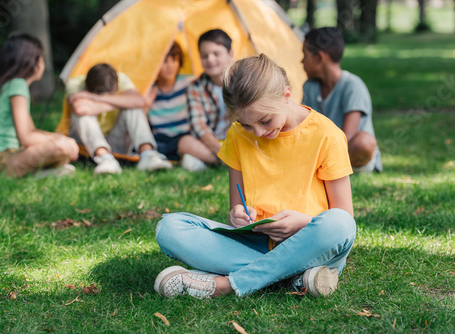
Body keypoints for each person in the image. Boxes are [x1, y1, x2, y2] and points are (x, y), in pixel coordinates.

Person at [153, 54, 356, 299]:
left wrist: (303, 223)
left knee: (339, 224)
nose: (258, 132)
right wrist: (236, 214)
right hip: (258, 241)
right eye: (247, 125)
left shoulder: (326, 135)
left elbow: (345, 218)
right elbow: (236, 206)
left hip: (311, 245)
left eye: (265, 120)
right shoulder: (237, 135)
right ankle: (296, 278)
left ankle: (227, 284)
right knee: (169, 228)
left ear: (287, 95)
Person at [0, 32, 78, 178]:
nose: (43, 64)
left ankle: (39, 173)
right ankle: (35, 173)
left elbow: (31, 130)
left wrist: (58, 137)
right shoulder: (18, 85)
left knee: (63, 147)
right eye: (42, 59)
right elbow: (25, 137)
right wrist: (61, 141)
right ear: (33, 63)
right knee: (62, 147)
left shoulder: (12, 84)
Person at [301, 27, 382, 173]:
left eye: (304, 55)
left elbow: (346, 137)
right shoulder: (309, 87)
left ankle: (333, 168)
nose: (301, 61)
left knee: (363, 142)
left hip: (352, 154)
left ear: (319, 57)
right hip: (324, 151)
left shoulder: (353, 86)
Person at [66, 63, 172, 174]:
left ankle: (148, 155)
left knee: (133, 108)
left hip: (116, 140)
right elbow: (80, 109)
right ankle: (105, 159)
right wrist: (121, 101)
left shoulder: (121, 79)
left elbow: (139, 101)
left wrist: (96, 99)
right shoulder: (75, 83)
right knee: (81, 115)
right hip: (86, 145)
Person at [146, 42, 219, 171]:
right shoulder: (149, 90)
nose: (170, 66)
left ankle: (217, 161)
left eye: (174, 60)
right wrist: (146, 105)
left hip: (187, 135)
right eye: (164, 61)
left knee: (186, 142)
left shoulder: (189, 83)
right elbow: (143, 122)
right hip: (161, 140)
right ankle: (193, 160)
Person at [186, 29, 235, 157]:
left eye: (216, 53)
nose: (210, 59)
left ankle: (212, 160)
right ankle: (224, 159)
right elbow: (199, 125)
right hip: (211, 143)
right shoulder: (195, 87)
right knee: (185, 142)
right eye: (204, 55)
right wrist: (219, 150)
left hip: (237, 140)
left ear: (230, 54)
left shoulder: (241, 82)